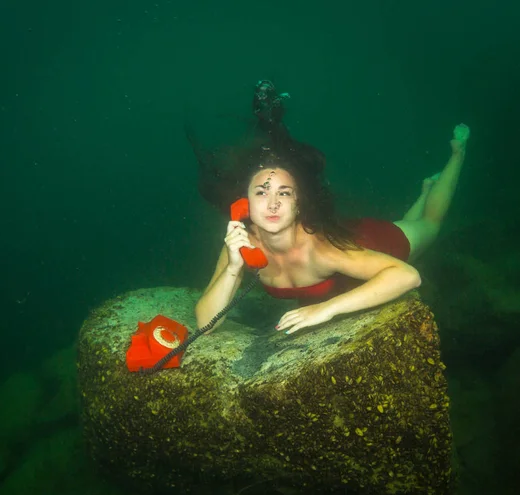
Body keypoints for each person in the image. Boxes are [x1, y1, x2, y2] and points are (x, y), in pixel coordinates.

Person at [191, 81, 469, 335]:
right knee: (414, 221)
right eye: (261, 192)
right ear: (244, 204)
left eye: (284, 193)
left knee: (429, 226)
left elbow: (408, 276)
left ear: (299, 204)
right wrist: (233, 269)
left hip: (367, 241)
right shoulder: (240, 244)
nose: (273, 203)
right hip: (343, 248)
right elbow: (205, 324)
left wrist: (326, 309)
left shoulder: (322, 247)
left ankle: (458, 152)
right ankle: (425, 191)